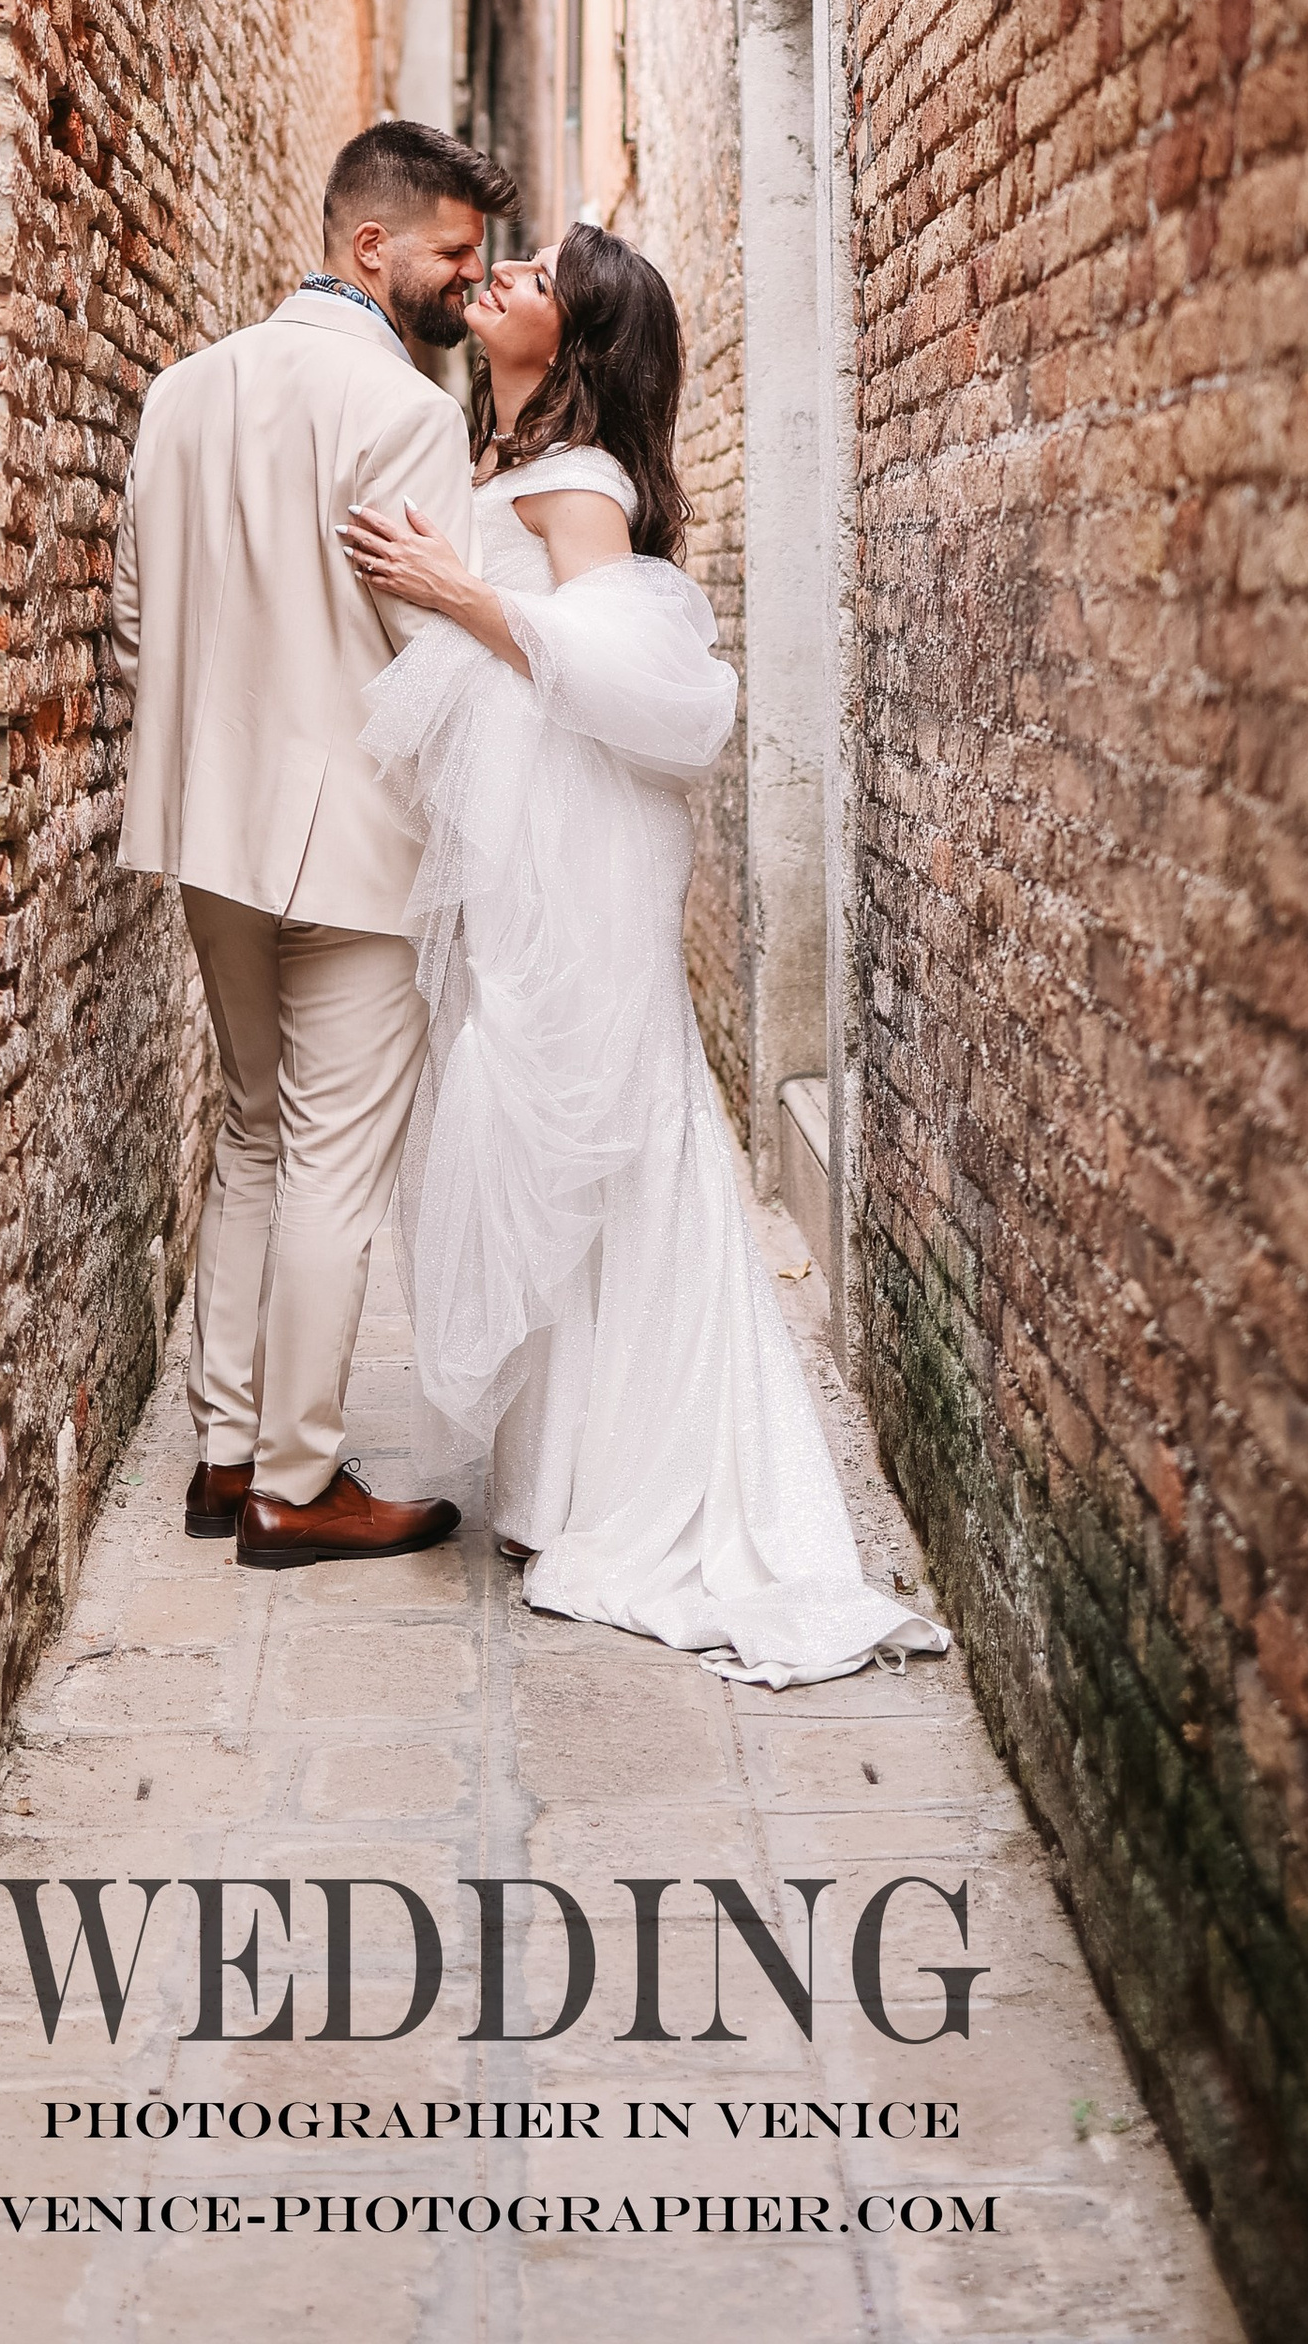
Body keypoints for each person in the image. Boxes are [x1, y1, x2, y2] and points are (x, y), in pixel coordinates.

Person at [338, 225, 948, 1686]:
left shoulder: (578, 482)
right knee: (549, 1114)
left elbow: (643, 679)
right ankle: (565, 1479)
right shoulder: (516, 463)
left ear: (581, 335)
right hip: (530, 834)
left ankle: (628, 1484)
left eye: (534, 275)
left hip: (577, 846)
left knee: (588, 1113)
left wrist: (459, 595)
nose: (500, 281)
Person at [111, 116, 517, 1567]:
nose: (467, 288)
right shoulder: (403, 411)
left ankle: (226, 1454)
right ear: (370, 245)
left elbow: (135, 616)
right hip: (352, 837)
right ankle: (296, 1483)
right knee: (335, 1158)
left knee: (252, 1131)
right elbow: (433, 660)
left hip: (205, 829)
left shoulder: (181, 394)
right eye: (452, 256)